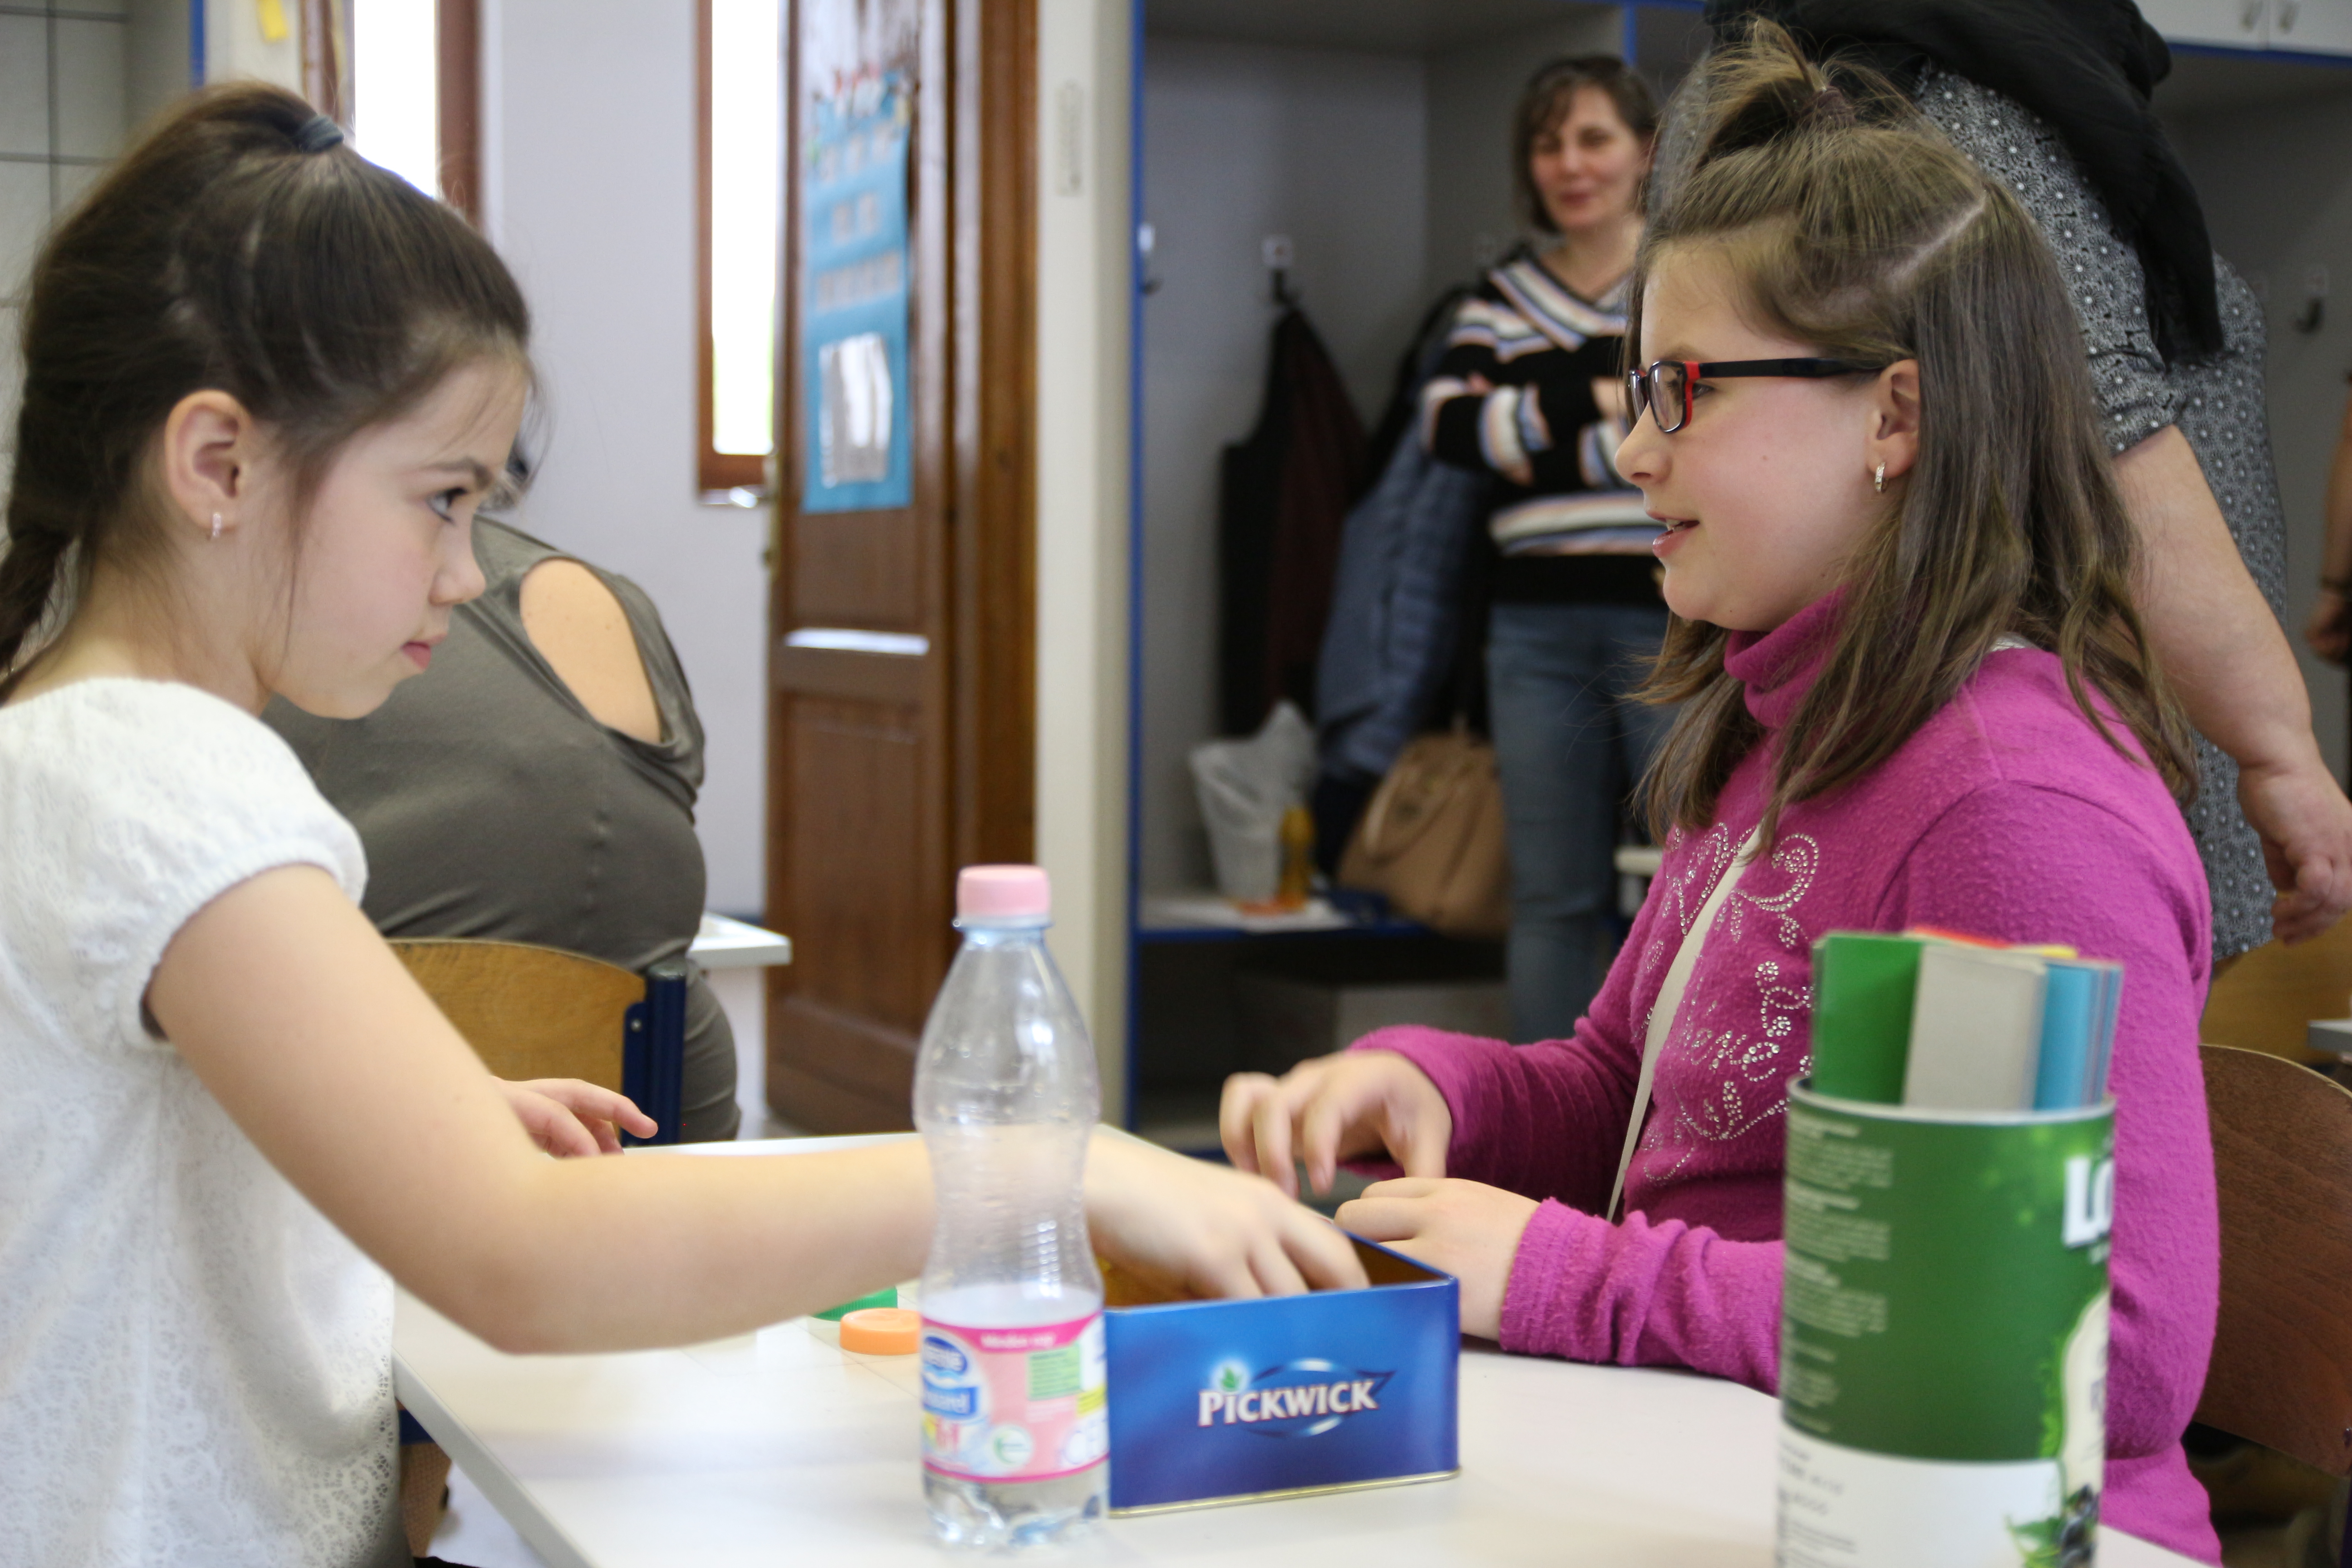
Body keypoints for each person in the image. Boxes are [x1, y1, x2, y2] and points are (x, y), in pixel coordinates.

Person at [0, 85, 1363, 1565]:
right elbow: (522, 1260)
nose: (468, 572)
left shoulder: (70, 741)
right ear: (218, 464)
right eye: (441, 499)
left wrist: (418, 1119)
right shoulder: (167, 774)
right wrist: (1042, 1168)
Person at [1225, 26, 2220, 1563]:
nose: (1632, 448)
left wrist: (1569, 1277)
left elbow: (2112, 1344)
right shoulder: (1784, 727)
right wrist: (1443, 1092)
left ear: (1895, 416)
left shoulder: (2012, 805)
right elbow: (1629, 1097)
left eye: (1680, 389)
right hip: (1733, 1463)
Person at [1688, 0, 2352, 961]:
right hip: (2060, 736)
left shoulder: (1796, 72)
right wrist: (2276, 747)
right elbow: (2110, 428)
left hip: (1956, 719)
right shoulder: (1969, 85)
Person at [265, 509, 746, 1143]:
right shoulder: (592, 604)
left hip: (468, 1127)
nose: (461, 577)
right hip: (646, 1120)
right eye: (445, 495)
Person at [1417, 56, 1672, 1040]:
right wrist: (1604, 394)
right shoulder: (1502, 295)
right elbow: (1448, 432)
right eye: (1548, 142)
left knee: (1690, 876)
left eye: (1594, 137)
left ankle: (1665, 1111)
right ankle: (1540, 1110)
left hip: (1673, 620)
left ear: (1646, 149)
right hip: (1530, 630)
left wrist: (1528, 424)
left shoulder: (1684, 279)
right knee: (1551, 895)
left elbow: (1697, 425)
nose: (1571, 164)